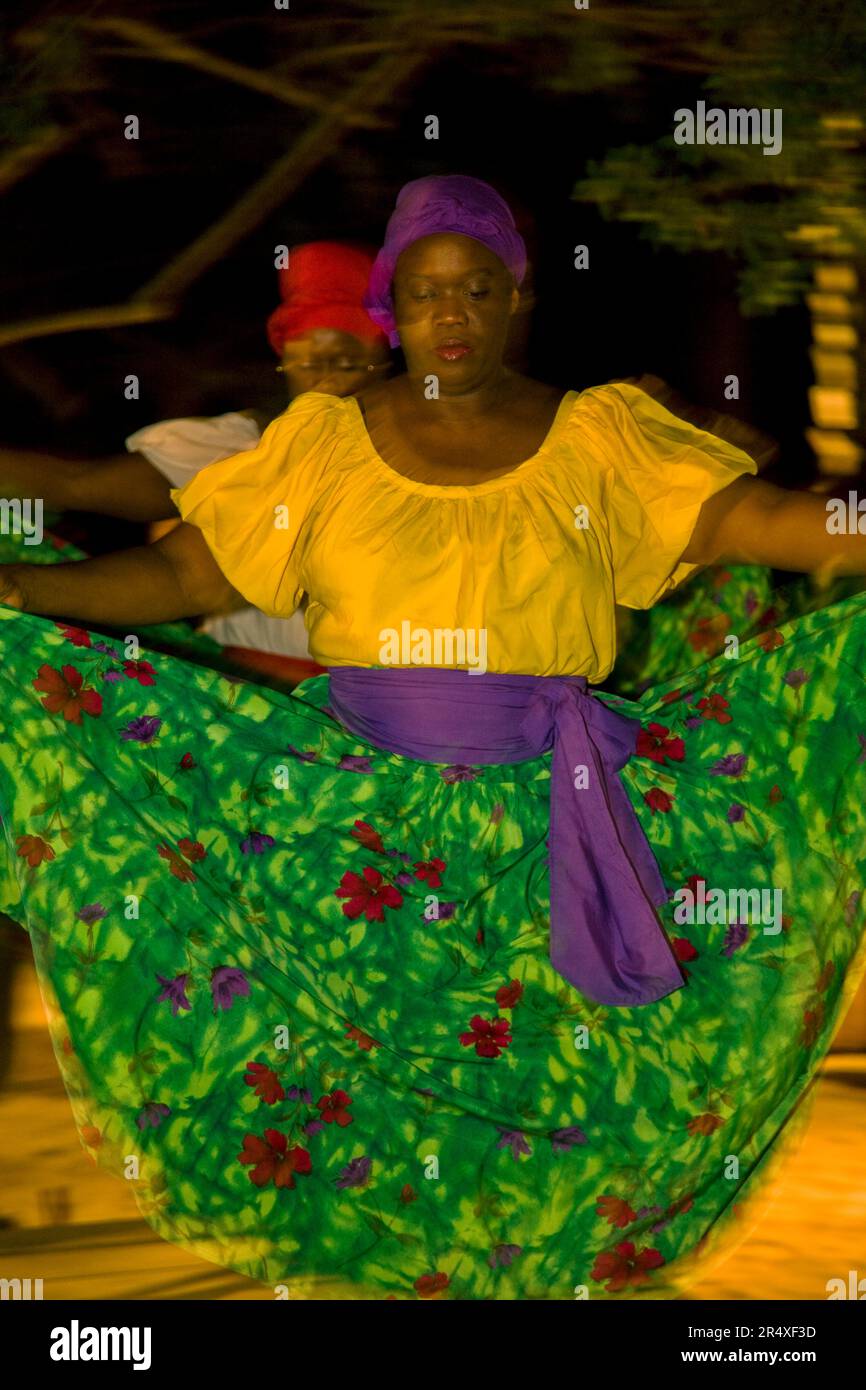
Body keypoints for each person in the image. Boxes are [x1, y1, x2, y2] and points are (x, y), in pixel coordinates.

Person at [1, 174, 866, 1301]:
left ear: (516, 295)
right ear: (392, 309)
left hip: (544, 828)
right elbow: (183, 570)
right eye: (421, 293)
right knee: (355, 1102)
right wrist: (21, 587)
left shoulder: (600, 437)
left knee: (544, 1108)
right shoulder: (321, 445)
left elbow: (751, 517)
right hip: (350, 828)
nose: (448, 313)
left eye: (474, 288)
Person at [0, 241, 391, 685]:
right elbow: (181, 568)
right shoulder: (243, 450)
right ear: (282, 361)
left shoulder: (433, 463)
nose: (324, 380)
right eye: (306, 361)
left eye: (344, 362)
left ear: (388, 365)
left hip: (391, 720)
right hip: (245, 703)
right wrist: (21, 588)